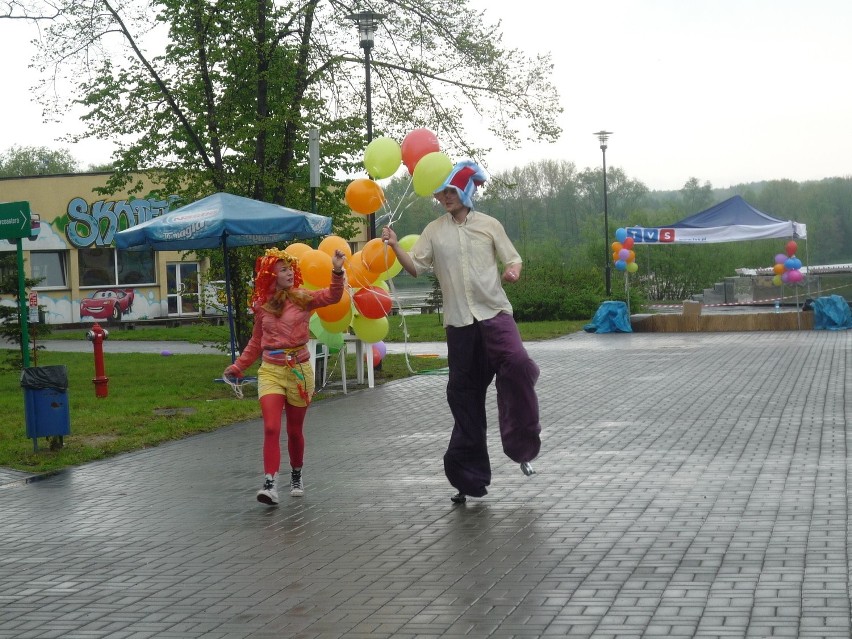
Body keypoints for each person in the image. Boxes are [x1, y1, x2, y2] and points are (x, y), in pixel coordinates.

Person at [381, 160, 541, 504]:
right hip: (459, 324)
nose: (444, 197)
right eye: (440, 192)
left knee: (518, 364)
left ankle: (521, 444)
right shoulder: (433, 231)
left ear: (466, 191)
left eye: (451, 191)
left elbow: (513, 259)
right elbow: (415, 267)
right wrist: (395, 246)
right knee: (464, 398)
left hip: (494, 314)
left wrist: (513, 270)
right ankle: (467, 479)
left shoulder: (489, 225)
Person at [223, 246, 346, 506]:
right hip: (271, 371)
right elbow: (256, 342)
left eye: (291, 268)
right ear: (271, 275)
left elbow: (334, 296)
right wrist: (239, 366)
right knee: (270, 427)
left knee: (294, 431)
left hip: (299, 372)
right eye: (283, 270)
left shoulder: (304, 297)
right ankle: (270, 484)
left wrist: (336, 270)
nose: (289, 273)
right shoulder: (264, 308)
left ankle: (297, 474)